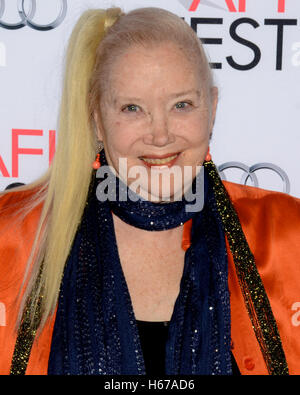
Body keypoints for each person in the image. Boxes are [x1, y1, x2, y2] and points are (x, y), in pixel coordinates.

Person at [0, 7, 299, 376]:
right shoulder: (10, 237)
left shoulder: (288, 236)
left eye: (181, 105)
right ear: (96, 119)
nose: (160, 135)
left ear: (213, 108)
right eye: (132, 108)